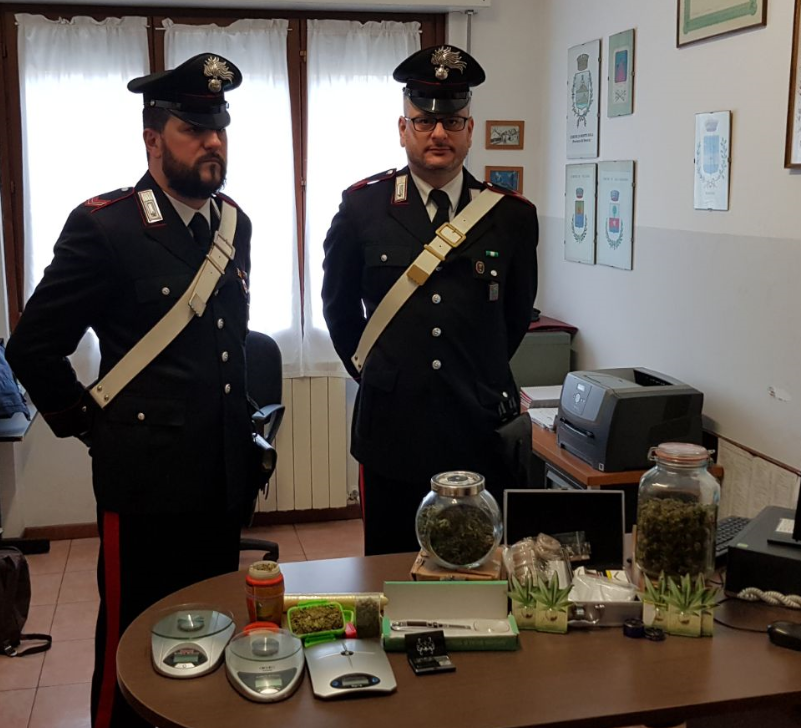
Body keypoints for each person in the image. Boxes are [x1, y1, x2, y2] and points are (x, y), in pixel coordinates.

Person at [6, 54, 253, 728]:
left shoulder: (235, 224)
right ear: (152, 138)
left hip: (222, 476)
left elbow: (224, 349)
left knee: (212, 625)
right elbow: (32, 347)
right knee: (133, 634)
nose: (212, 142)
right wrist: (89, 424)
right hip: (144, 482)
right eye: (193, 129)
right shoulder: (106, 226)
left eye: (219, 129)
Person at [321, 45, 539, 556]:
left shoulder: (511, 217)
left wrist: (476, 372)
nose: (438, 133)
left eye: (452, 121)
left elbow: (514, 317)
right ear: (403, 129)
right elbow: (338, 307)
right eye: (424, 121)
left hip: (478, 427)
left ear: (469, 129)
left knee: (476, 565)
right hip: (392, 427)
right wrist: (380, 372)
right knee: (391, 566)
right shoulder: (362, 208)